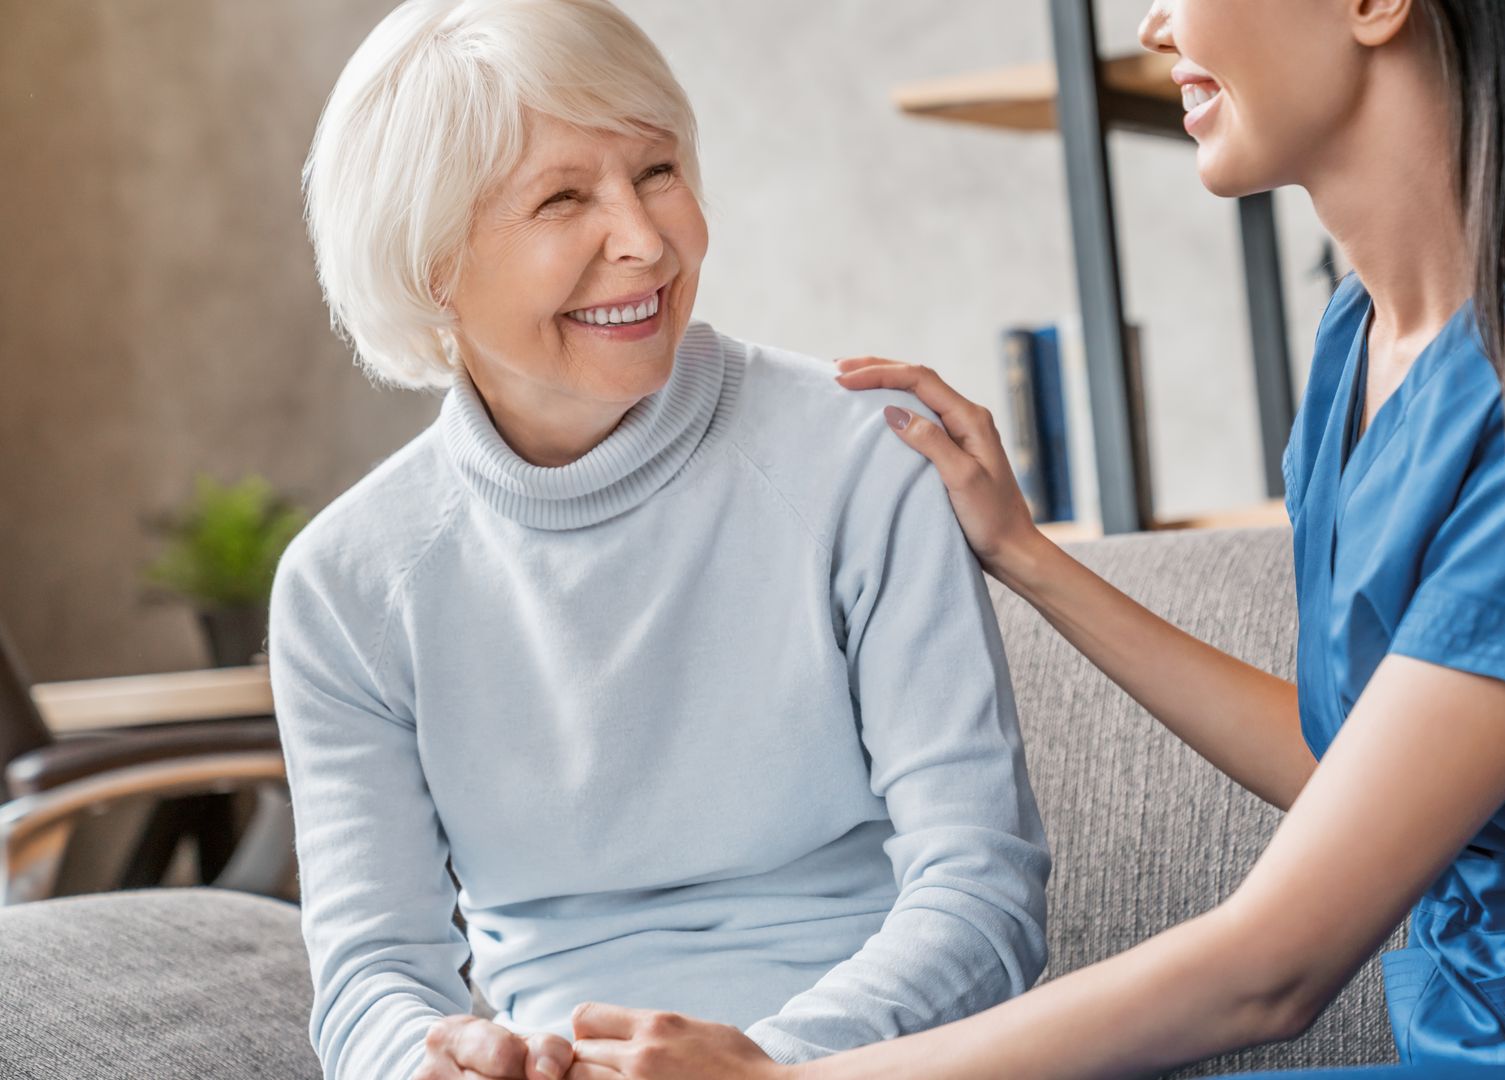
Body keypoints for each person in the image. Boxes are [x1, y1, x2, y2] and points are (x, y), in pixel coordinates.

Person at [602, 1, 1505, 1076]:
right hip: (1504, 1043)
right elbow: (1343, 766)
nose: (1157, 27)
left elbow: (1273, 969)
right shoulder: (1362, 354)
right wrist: (1030, 557)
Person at [273, 2, 1049, 1078]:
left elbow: (985, 894)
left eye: (657, 171)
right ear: (430, 263)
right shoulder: (346, 585)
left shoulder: (863, 457)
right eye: (562, 198)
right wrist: (430, 1065)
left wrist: (763, 1065)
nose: (644, 241)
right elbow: (370, 979)